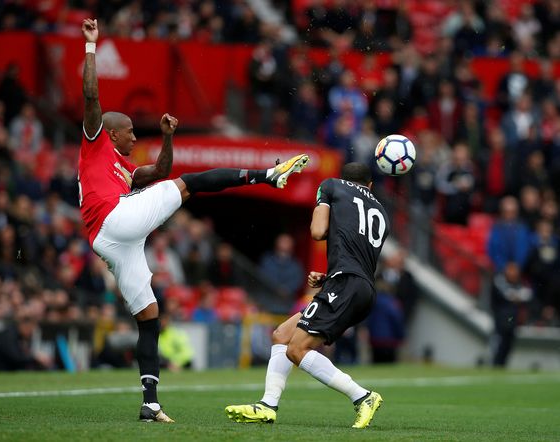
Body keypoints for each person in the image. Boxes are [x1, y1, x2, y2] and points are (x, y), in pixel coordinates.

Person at [77, 19, 309, 423]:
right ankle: (268, 175)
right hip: (115, 219)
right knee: (192, 185)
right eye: (130, 133)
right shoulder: (96, 141)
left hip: (115, 241)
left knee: (149, 318)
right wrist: (92, 46)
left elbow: (161, 170)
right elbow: (92, 94)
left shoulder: (124, 169)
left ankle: (150, 403)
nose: (134, 138)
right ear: (111, 134)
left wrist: (167, 137)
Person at [225, 162, 389, 429]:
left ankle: (363, 396)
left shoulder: (332, 186)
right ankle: (267, 406)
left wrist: (323, 202)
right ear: (369, 185)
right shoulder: (381, 211)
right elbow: (359, 257)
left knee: (297, 349)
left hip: (346, 285)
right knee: (282, 335)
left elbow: (317, 232)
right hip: (359, 286)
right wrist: (328, 278)